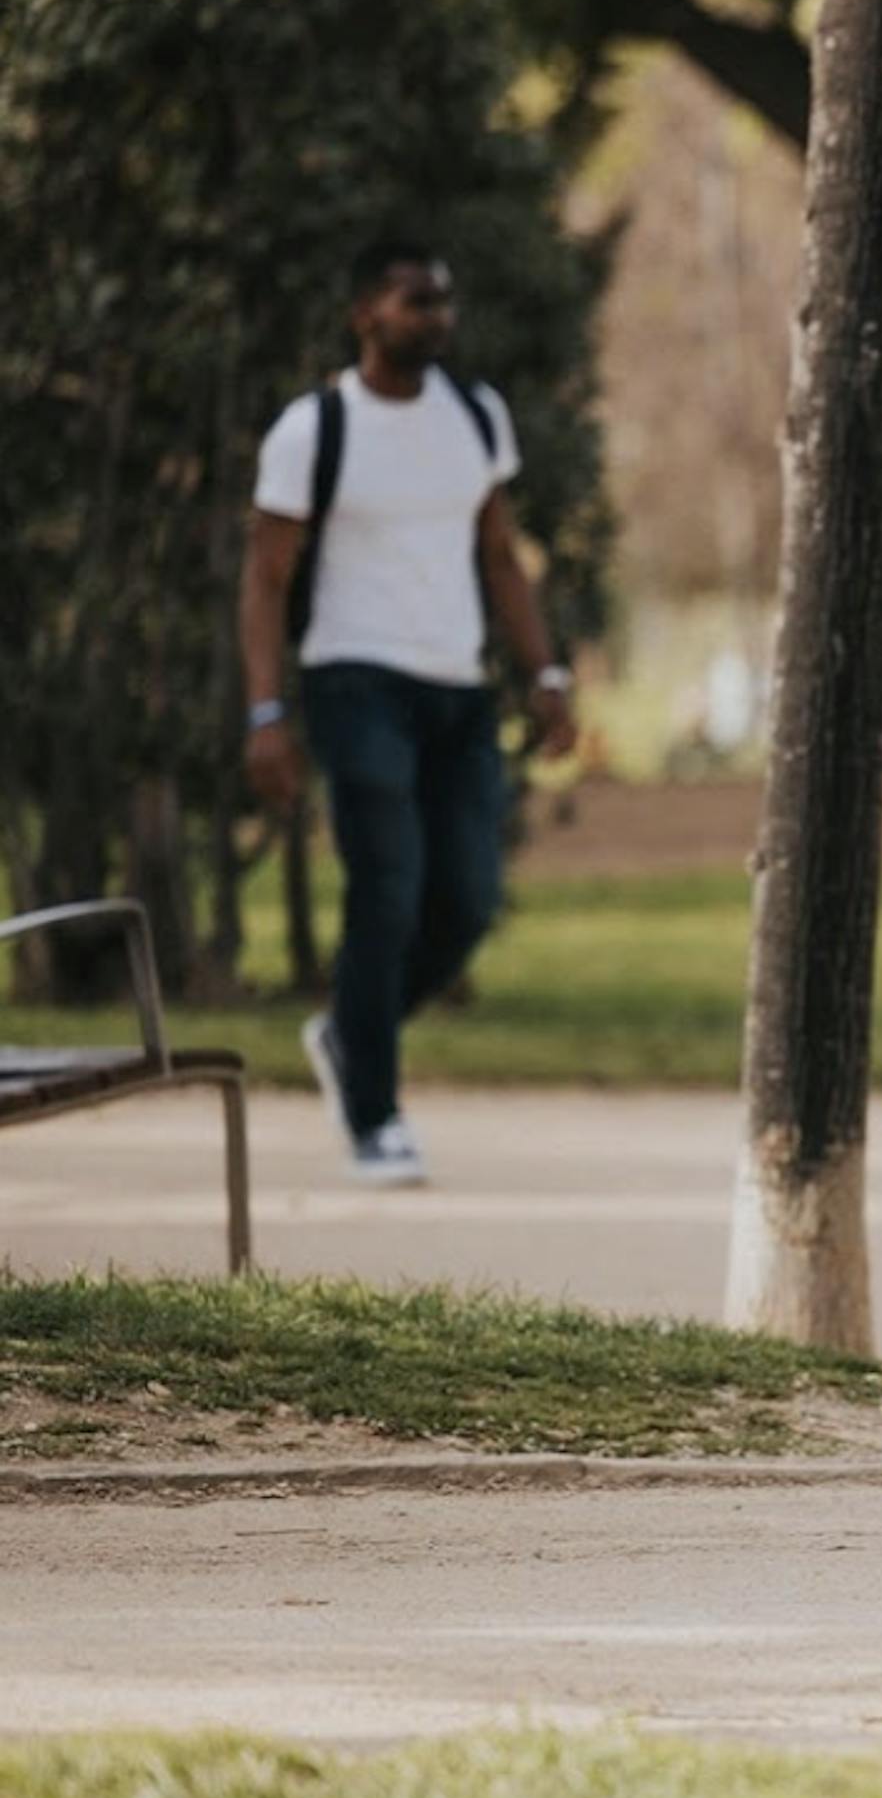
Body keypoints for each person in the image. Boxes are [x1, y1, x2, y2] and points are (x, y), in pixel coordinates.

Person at [239, 240, 575, 1185]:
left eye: (444, 302)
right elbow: (266, 578)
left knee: (467, 901)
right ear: (366, 315)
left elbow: (502, 556)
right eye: (415, 301)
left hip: (457, 691)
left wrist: (546, 676)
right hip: (355, 684)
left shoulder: (475, 416)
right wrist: (264, 711)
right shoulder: (315, 428)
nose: (436, 317)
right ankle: (375, 1116)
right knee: (386, 891)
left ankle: (349, 1035)